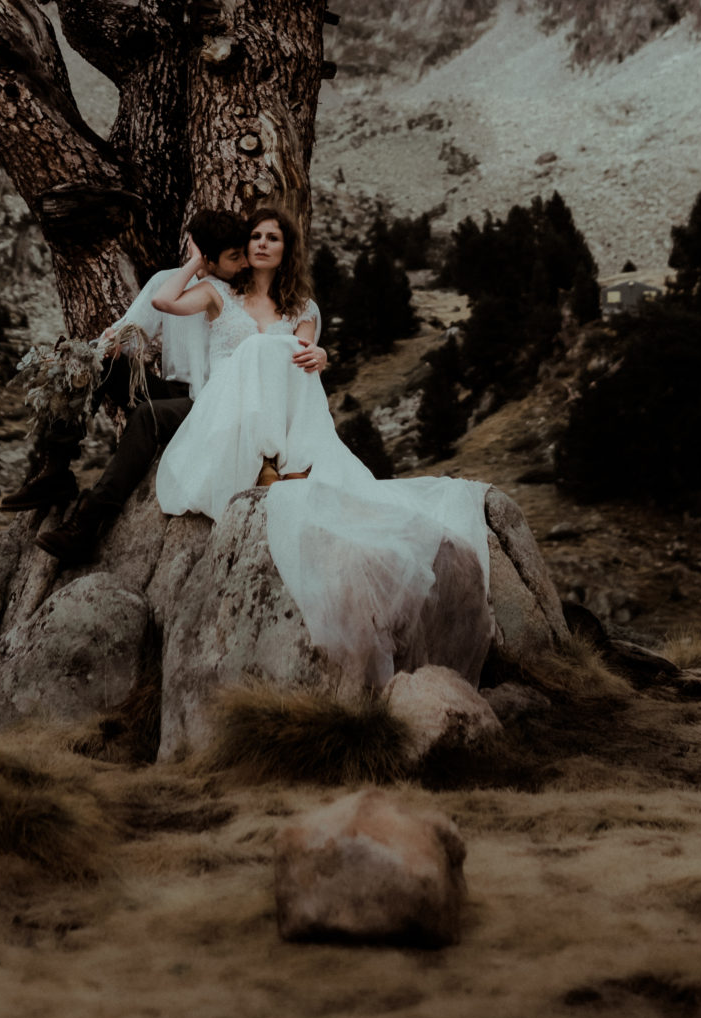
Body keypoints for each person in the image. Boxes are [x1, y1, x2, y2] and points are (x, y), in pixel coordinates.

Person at [152, 205, 495, 690]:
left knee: (284, 349)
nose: (264, 243)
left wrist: (320, 352)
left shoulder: (301, 308)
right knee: (261, 348)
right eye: (255, 237)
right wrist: (197, 261)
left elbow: (305, 353)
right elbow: (165, 302)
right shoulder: (218, 294)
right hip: (225, 416)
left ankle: (283, 461)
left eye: (274, 237)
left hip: (287, 418)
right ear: (244, 248)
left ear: (287, 249)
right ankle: (267, 463)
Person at [26, 210, 250, 568]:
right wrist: (104, 347)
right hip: (174, 392)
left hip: (209, 401)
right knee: (96, 359)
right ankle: (56, 465)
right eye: (234, 256)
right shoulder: (170, 282)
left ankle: (87, 521)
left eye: (242, 254)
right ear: (206, 256)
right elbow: (127, 329)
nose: (243, 263)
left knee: (147, 417)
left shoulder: (243, 295)